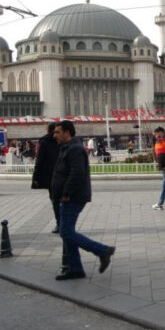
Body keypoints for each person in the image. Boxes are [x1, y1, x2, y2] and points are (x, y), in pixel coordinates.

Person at [51, 120, 115, 280]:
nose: (54, 135)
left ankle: (102, 250)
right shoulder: (67, 148)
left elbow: (77, 173)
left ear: (67, 133)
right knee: (67, 233)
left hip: (72, 197)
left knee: (65, 232)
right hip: (68, 196)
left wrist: (66, 192)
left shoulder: (74, 149)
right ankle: (75, 269)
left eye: (57, 132)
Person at [32, 123, 61, 233]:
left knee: (55, 200)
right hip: (62, 174)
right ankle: (63, 223)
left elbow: (39, 160)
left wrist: (35, 177)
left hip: (50, 176)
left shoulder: (44, 142)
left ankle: (59, 223)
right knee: (62, 199)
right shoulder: (62, 141)